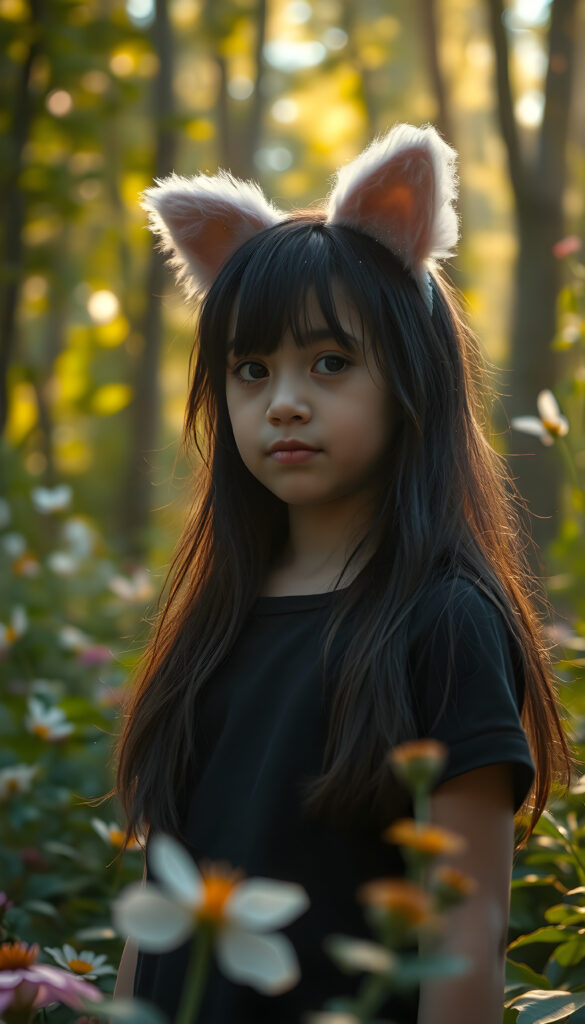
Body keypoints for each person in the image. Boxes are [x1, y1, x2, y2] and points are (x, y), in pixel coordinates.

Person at [114, 123, 572, 1023]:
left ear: (411, 377)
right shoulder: (212, 621)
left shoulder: (444, 620)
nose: (284, 401)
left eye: (329, 363)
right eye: (251, 369)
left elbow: (465, 933)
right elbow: (158, 907)